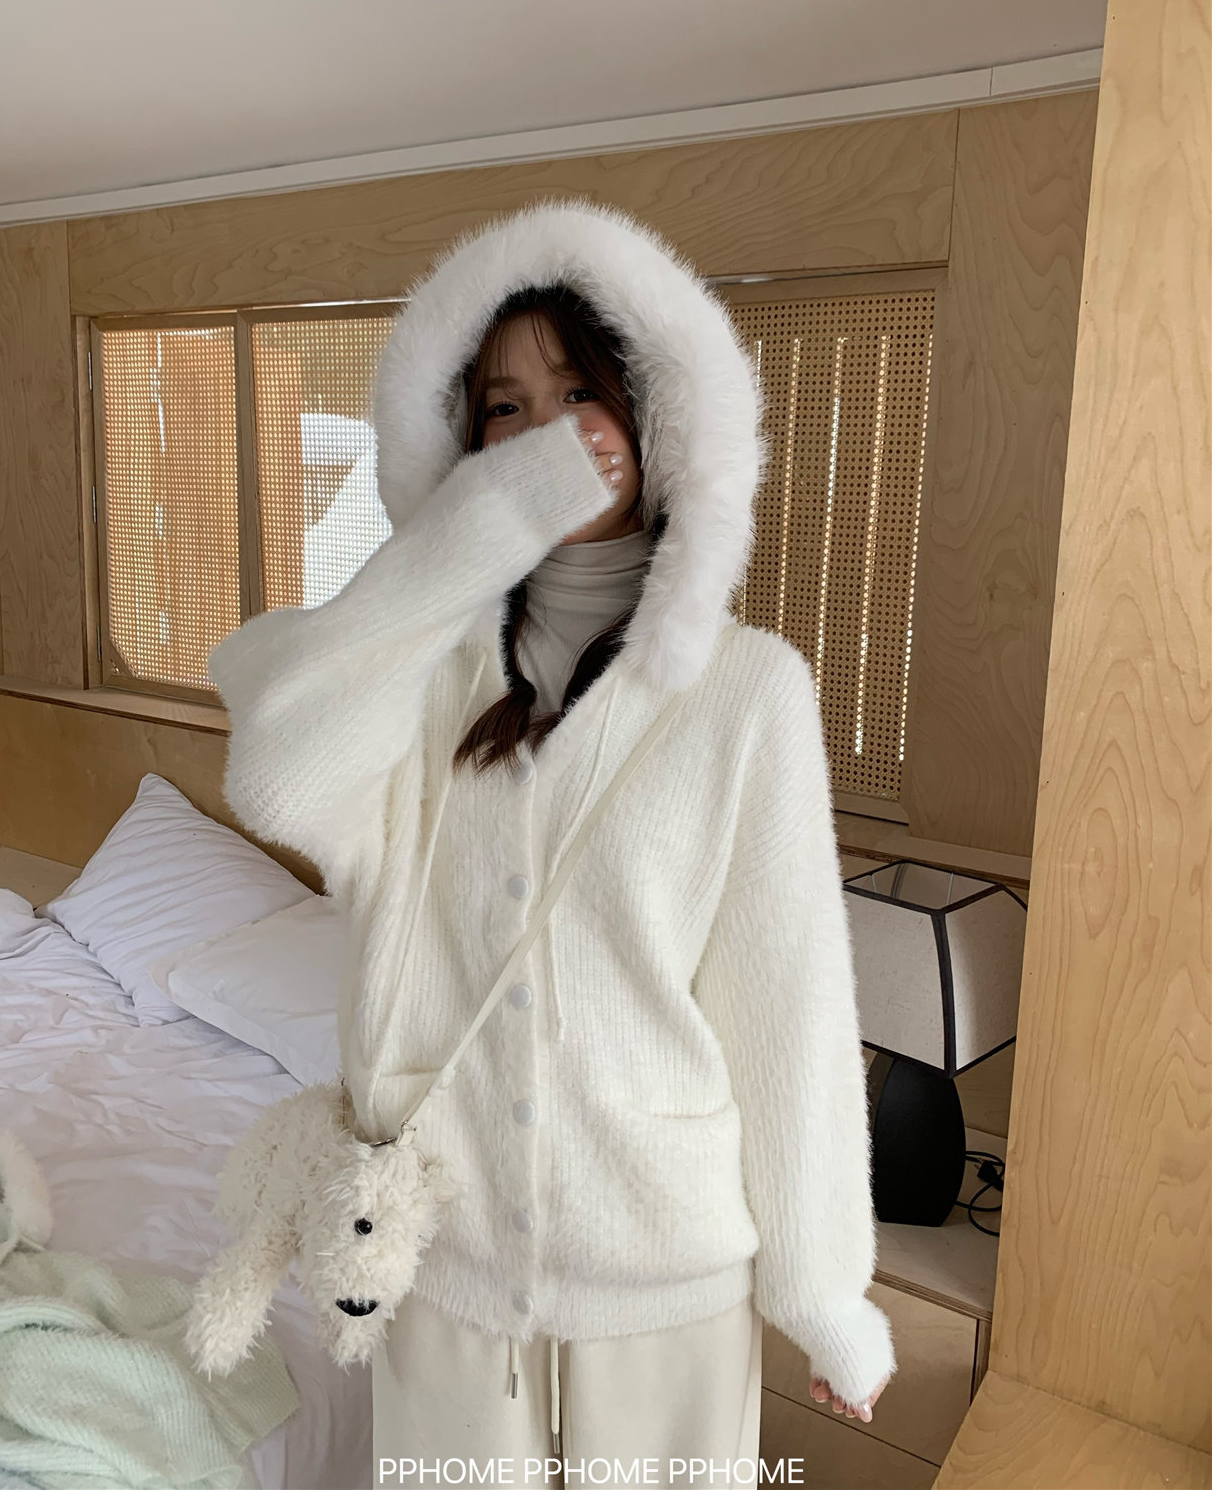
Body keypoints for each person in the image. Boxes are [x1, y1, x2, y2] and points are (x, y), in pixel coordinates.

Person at [206, 199, 895, 1481]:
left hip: (668, 1282)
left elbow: (787, 1007)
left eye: (581, 395)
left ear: (656, 416)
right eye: (504, 410)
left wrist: (820, 1289)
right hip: (446, 1267)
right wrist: (469, 541)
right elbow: (278, 780)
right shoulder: (419, 678)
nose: (548, 436)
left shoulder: (750, 691)